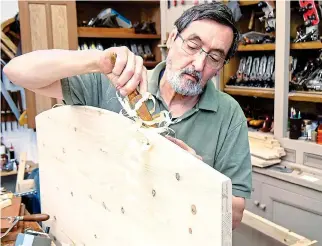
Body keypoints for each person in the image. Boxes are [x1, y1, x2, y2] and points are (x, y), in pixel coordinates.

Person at [4, 2, 251, 229]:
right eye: (193, 45)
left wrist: (195, 176)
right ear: (173, 38)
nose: (198, 64)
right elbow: (17, 71)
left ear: (221, 65)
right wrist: (96, 60)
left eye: (214, 57)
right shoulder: (118, 82)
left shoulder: (229, 114)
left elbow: (235, 215)